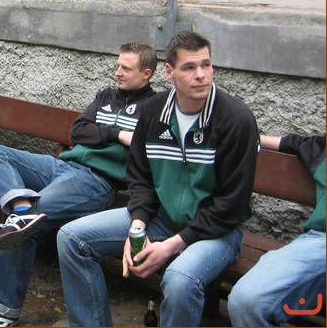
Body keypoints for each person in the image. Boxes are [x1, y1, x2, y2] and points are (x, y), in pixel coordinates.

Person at [57, 31, 260, 327]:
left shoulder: (236, 119)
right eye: (189, 67)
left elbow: (232, 204)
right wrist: (137, 227)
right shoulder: (154, 112)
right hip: (161, 217)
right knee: (72, 238)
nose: (201, 75)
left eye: (206, 65)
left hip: (218, 232)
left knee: (179, 280)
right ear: (169, 72)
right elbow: (141, 178)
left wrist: (173, 245)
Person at [0, 43, 158, 328]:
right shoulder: (106, 96)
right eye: (117, 65)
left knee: (24, 226)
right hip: (61, 166)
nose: (117, 72)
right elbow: (78, 131)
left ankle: (3, 311)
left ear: (146, 73)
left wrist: (103, 135)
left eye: (125, 68)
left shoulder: (154, 109)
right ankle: (21, 208)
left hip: (95, 181)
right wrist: (118, 134)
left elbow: (143, 153)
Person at [228, 133, 325, 326]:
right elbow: (290, 143)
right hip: (318, 243)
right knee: (246, 300)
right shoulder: (320, 148)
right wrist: (239, 132)